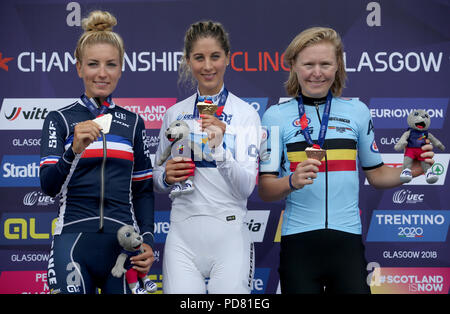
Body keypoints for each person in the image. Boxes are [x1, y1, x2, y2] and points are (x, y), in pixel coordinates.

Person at [258, 27, 436, 294]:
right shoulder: (275, 116)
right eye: (308, 64)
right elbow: (266, 190)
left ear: (338, 66)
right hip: (298, 244)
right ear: (293, 65)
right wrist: (292, 181)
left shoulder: (357, 112)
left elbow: (376, 175)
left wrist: (415, 169)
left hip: (348, 243)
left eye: (325, 64)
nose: (317, 72)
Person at [40, 10, 155, 294]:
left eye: (110, 65)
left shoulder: (133, 123)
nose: (102, 73)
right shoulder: (60, 119)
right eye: (93, 64)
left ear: (120, 69)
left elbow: (143, 190)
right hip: (72, 242)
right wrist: (73, 151)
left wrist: (148, 241)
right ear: (79, 67)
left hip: (123, 245)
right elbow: (48, 186)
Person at [153, 20, 261, 294]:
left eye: (215, 56)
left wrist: (219, 149)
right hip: (182, 235)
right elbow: (156, 176)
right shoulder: (174, 114)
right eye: (199, 58)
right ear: (188, 61)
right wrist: (166, 177)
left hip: (229, 233)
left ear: (227, 58)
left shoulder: (246, 113)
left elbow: (246, 186)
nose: (208, 66)